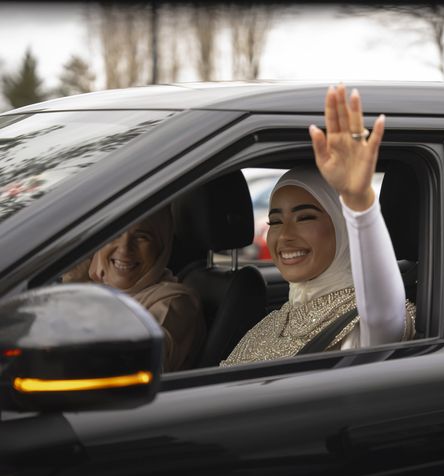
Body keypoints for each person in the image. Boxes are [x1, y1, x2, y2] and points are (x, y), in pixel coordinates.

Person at [221, 84, 415, 366]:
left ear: (343, 226)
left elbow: (383, 313)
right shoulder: (272, 321)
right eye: (275, 221)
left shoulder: (366, 322)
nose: (284, 235)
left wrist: (359, 202)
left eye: (305, 217)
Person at [63, 206, 206, 372]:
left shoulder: (174, 304)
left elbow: (131, 366)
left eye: (141, 237)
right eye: (115, 234)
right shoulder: (98, 292)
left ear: (161, 247)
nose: (124, 248)